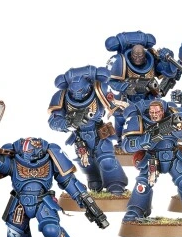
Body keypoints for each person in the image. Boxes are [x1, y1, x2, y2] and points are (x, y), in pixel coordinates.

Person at [121, 99, 182, 222]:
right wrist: (144, 140)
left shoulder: (176, 116)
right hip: (152, 157)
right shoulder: (139, 120)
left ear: (163, 111)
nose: (154, 115)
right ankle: (135, 212)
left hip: (173, 157)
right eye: (152, 112)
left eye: (157, 112)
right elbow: (126, 145)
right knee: (142, 185)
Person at [48, 65, 128, 195]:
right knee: (86, 162)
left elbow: (117, 106)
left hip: (99, 133)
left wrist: (120, 112)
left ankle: (115, 184)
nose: (78, 96)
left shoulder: (99, 89)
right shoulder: (61, 96)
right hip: (79, 137)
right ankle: (95, 181)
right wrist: (69, 123)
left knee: (107, 159)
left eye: (81, 92)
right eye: (74, 93)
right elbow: (53, 122)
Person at [105, 31, 179, 143]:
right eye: (135, 56)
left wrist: (167, 60)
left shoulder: (151, 59)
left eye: (140, 56)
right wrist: (124, 86)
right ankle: (120, 142)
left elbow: (169, 73)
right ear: (131, 55)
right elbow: (111, 81)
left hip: (148, 96)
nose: (138, 58)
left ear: (144, 55)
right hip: (127, 97)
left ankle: (155, 141)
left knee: (155, 116)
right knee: (121, 117)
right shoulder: (121, 61)